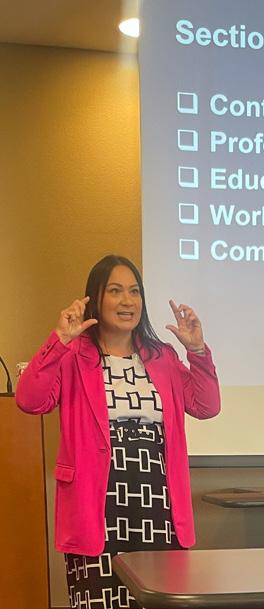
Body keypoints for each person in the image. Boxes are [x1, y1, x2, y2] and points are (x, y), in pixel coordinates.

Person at [16, 255, 221, 609]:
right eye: (115, 291)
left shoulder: (162, 356)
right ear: (95, 298)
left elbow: (206, 405)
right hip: (96, 508)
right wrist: (59, 340)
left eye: (134, 291)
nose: (128, 301)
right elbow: (30, 400)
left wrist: (197, 350)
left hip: (159, 508)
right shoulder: (73, 355)